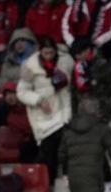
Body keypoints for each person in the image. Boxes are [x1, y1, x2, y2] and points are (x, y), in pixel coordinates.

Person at [16, 37, 73, 183]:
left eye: (51, 52)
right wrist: (39, 100)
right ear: (40, 51)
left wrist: (68, 114)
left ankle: (65, 177)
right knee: (48, 150)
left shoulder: (65, 62)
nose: (48, 54)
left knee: (66, 145)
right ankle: (49, 183)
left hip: (63, 109)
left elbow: (67, 91)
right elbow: (21, 92)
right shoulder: (30, 67)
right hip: (43, 115)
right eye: (45, 52)